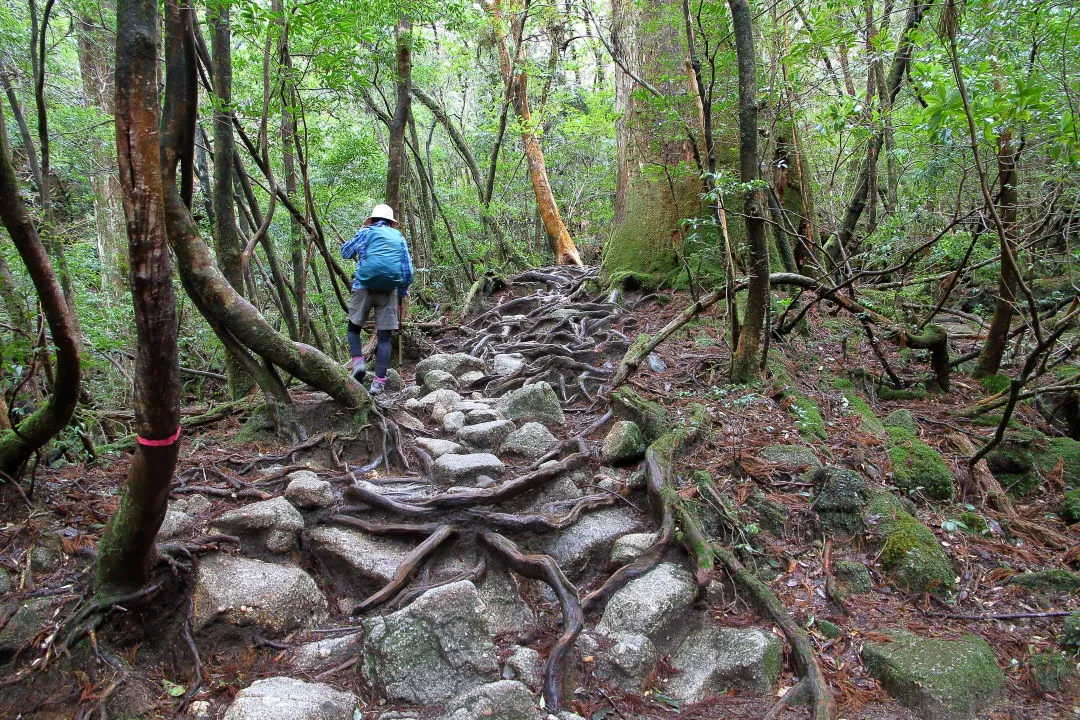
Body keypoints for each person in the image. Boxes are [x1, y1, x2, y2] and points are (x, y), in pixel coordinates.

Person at [341, 203, 413, 395]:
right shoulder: (399, 238)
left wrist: (360, 232)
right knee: (384, 338)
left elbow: (345, 252)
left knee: (353, 329)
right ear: (391, 222)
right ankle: (378, 383)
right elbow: (408, 271)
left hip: (362, 286)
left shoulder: (366, 232)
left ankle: (358, 364)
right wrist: (401, 291)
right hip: (389, 291)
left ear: (372, 219)